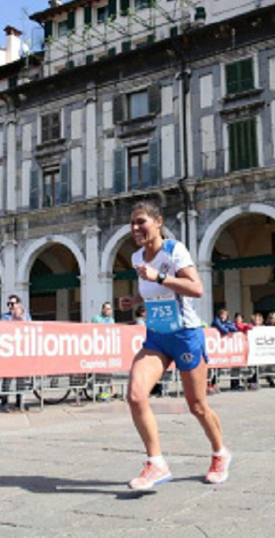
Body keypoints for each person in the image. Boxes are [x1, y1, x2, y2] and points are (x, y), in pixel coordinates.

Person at [117, 200, 230, 490]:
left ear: (158, 221)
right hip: (156, 336)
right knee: (135, 395)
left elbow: (196, 288)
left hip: (185, 334)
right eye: (132, 223)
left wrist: (161, 276)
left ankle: (220, 453)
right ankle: (156, 463)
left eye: (141, 221)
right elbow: (150, 287)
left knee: (197, 406)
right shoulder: (136, 256)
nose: (135, 228)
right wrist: (135, 300)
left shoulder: (174, 250)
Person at [0, 294, 31, 410]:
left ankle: (20, 401)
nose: (10, 306)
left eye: (12, 304)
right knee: (7, 379)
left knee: (21, 379)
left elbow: (29, 328)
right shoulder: (5, 316)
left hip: (21, 351)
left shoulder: (26, 315)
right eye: (8, 304)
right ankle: (4, 402)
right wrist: (13, 319)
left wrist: (22, 319)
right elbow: (3, 328)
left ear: (19, 304)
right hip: (9, 351)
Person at [91, 302, 118, 401]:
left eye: (110, 309)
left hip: (108, 349)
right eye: (107, 309)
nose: (109, 311)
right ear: (103, 310)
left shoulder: (111, 320)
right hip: (98, 349)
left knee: (108, 370)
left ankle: (112, 390)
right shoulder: (96, 319)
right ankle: (105, 391)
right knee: (100, 371)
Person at [263, 311, 275, 388]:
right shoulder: (266, 327)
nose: (273, 320)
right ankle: (270, 380)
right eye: (272, 318)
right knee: (269, 366)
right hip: (269, 349)